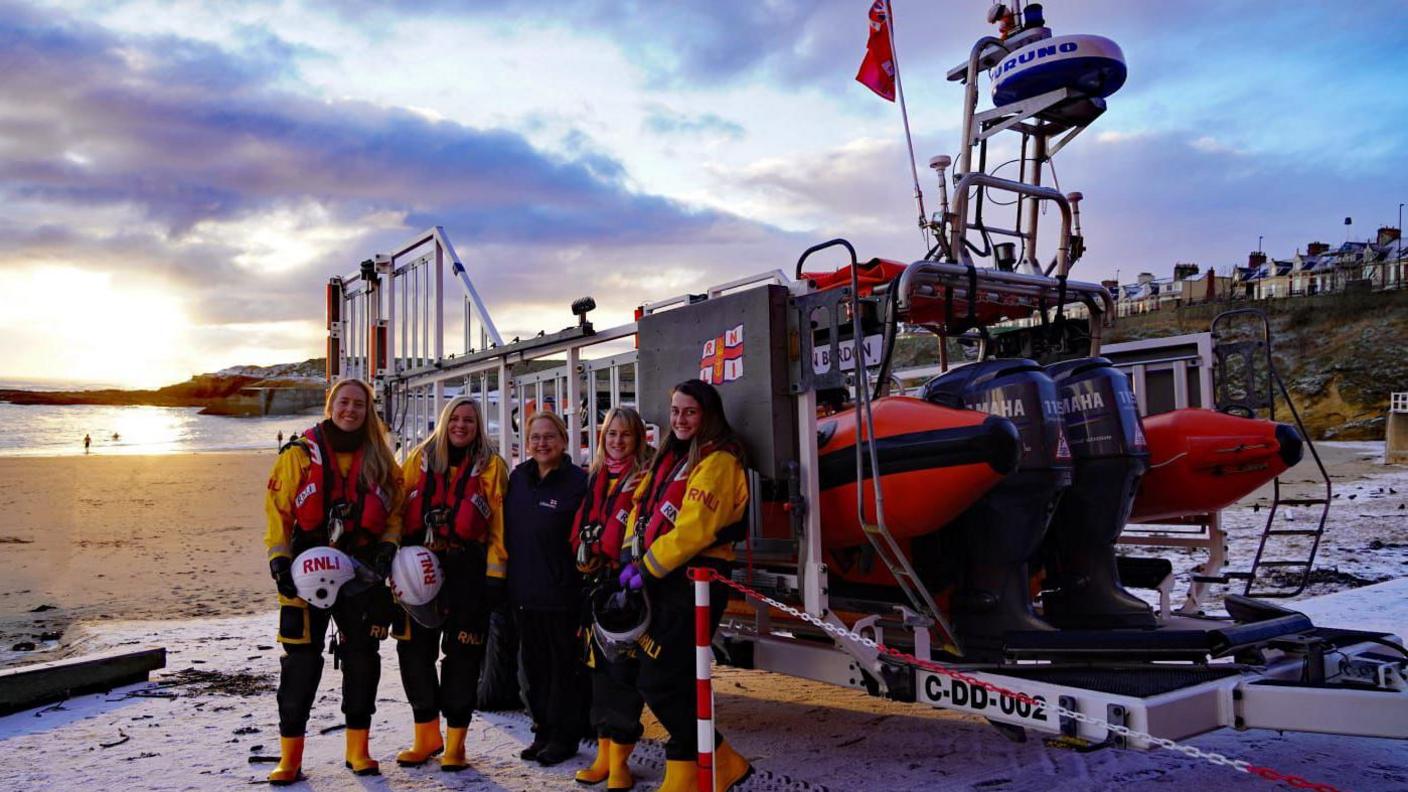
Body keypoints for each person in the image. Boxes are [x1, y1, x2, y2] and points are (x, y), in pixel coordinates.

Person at [262, 378, 402, 784]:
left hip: (360, 572)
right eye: (344, 402)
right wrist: (278, 562)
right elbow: (278, 511)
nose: (351, 410)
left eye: (359, 404)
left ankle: (359, 750)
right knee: (300, 664)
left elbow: (393, 510)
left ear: (368, 409)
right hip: (305, 571)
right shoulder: (299, 454)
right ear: (330, 405)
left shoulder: (380, 458)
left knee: (362, 658)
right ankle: (290, 757)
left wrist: (389, 545)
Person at [619, 380, 753, 791]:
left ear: (708, 415)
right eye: (675, 410)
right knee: (668, 679)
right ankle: (691, 769)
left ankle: (717, 760)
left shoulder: (718, 463)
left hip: (696, 581)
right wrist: (628, 559)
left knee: (662, 680)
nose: (680, 419)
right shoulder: (670, 457)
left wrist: (646, 567)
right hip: (665, 580)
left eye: (690, 412)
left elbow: (695, 530)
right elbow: (639, 509)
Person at [392, 395, 508, 772]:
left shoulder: (491, 468)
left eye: (469, 420)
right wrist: (389, 562)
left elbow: (499, 529)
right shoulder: (417, 460)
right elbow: (396, 510)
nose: (461, 426)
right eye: (455, 419)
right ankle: (426, 735)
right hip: (417, 567)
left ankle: (456, 742)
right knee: (414, 654)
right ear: (444, 422)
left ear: (478, 426)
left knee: (463, 658)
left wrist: (495, 575)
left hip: (467, 571)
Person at [571, 407, 653, 790]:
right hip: (595, 585)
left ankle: (621, 759)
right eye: (611, 435)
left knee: (623, 673)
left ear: (639, 439)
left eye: (626, 435)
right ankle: (604, 755)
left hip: (627, 587)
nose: (617, 442)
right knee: (598, 672)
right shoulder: (595, 480)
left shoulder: (645, 481)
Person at [504, 411, 589, 766]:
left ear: (563, 441)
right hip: (524, 592)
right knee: (532, 669)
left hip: (561, 595)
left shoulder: (577, 482)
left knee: (562, 670)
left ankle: (564, 736)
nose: (542, 443)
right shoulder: (518, 478)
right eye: (535, 437)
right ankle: (541, 730)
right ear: (526, 443)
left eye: (549, 436)